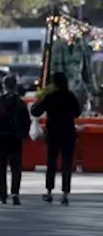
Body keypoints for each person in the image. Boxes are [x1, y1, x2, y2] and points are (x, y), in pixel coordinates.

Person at [31, 71, 82, 205]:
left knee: (51, 163)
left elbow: (36, 111)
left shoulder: (50, 97)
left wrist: (38, 101)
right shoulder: (70, 96)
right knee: (67, 164)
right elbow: (77, 113)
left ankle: (49, 191)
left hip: (53, 134)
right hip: (68, 134)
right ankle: (65, 194)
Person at [0, 73, 32, 204]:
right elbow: (27, 121)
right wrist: (24, 134)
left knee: (1, 168)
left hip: (0, 139)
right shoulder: (20, 102)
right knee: (16, 167)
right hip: (15, 139)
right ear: (16, 86)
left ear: (3, 86)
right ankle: (15, 193)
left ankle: (2, 195)